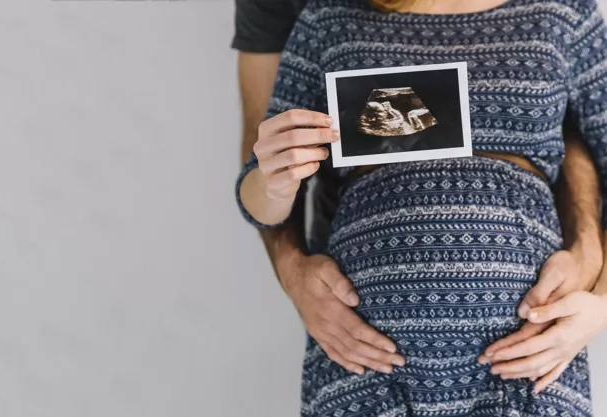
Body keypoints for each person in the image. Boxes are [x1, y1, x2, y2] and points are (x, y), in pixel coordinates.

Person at [234, 0, 607, 415]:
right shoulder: (329, 16)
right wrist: (273, 181)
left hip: (528, 364)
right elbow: (258, 198)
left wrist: (602, 304)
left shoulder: (565, 11)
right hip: (365, 360)